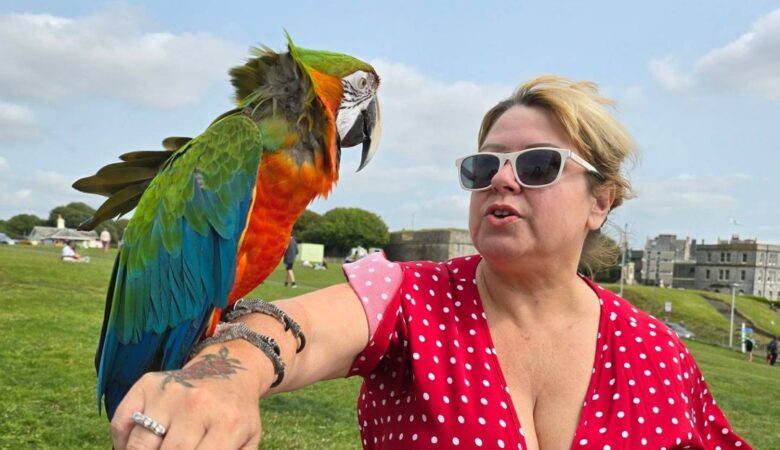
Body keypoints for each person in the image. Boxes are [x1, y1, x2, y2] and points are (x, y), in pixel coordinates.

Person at [110, 76, 751, 450]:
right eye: (483, 166)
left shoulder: (660, 353)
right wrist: (226, 375)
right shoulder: (411, 297)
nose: (501, 180)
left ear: (600, 203)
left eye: (536, 165)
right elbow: (288, 329)